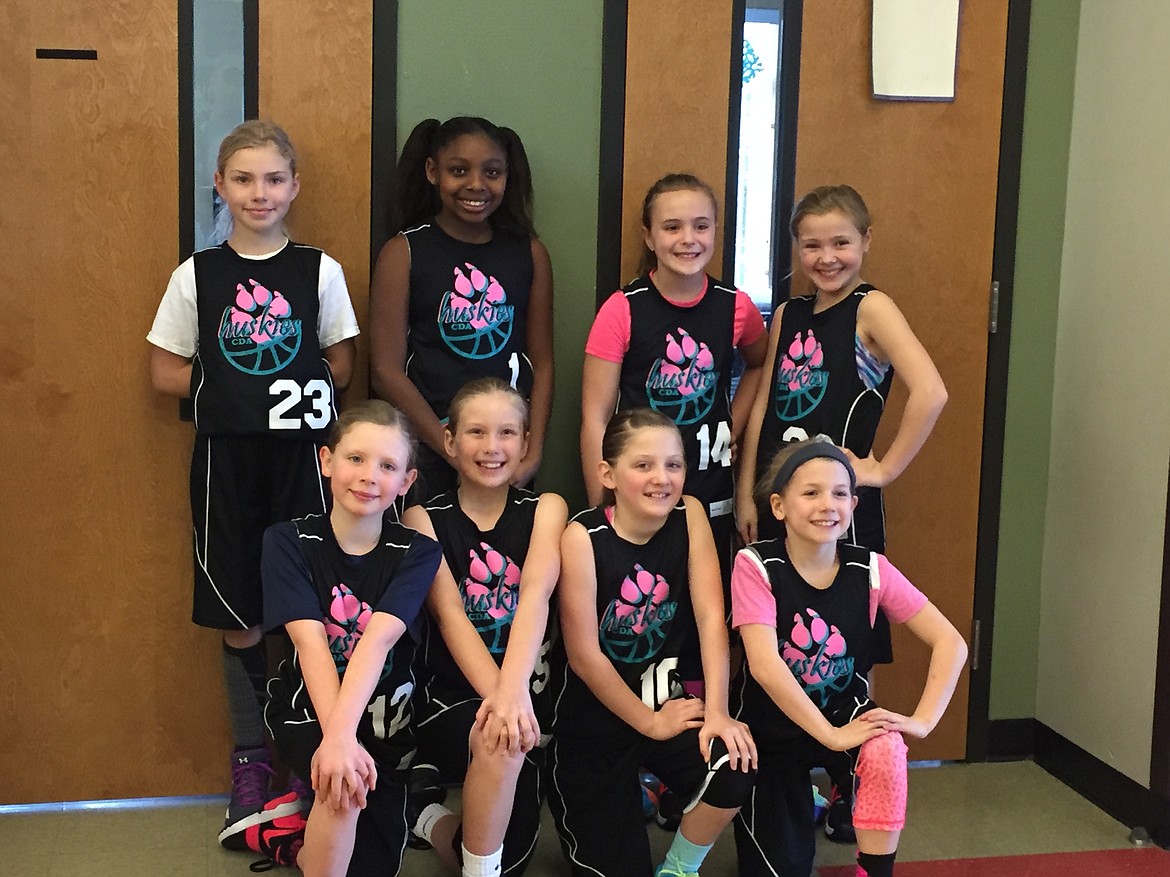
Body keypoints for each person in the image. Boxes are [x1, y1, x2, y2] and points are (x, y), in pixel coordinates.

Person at [147, 119, 359, 848]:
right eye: (243, 179)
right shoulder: (197, 274)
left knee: (305, 609)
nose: (259, 193)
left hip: (301, 460)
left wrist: (291, 391)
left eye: (273, 179)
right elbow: (163, 369)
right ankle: (250, 760)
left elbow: (343, 359)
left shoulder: (317, 270)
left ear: (294, 185)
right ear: (220, 185)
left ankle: (305, 755)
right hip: (226, 465)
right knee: (240, 606)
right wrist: (236, 386)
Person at [735, 184, 947, 838]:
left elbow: (930, 390)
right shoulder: (792, 312)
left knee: (844, 637)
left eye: (841, 243)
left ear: (865, 243)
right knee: (780, 632)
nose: (826, 256)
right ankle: (786, 765)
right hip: (778, 500)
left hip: (840, 508)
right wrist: (747, 488)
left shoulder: (871, 308)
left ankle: (851, 776)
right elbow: (767, 406)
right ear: (796, 248)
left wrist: (881, 468)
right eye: (812, 244)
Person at [731, 438, 967, 877]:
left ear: (854, 504)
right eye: (811, 492)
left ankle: (874, 870)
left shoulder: (871, 569)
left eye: (840, 493)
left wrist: (923, 721)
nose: (828, 505)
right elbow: (764, 666)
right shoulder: (756, 565)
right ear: (779, 506)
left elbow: (951, 643)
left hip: (845, 713)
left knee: (886, 749)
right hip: (773, 726)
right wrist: (829, 736)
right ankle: (803, 805)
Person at [549, 408, 757, 877]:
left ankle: (679, 868)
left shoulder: (691, 514)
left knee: (735, 765)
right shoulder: (582, 537)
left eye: (673, 465)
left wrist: (719, 712)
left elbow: (710, 617)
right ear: (609, 474)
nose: (661, 478)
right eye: (643, 465)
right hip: (595, 728)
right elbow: (584, 656)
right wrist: (649, 724)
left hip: (668, 704)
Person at [256, 400, 442, 874]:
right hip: (309, 710)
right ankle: (307, 804)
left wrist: (347, 740)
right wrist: (337, 740)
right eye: (355, 459)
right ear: (326, 461)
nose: (368, 476)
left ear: (406, 482)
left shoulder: (418, 553)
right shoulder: (287, 541)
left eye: (387, 466)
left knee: (371, 856)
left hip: (384, 723)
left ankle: (292, 837)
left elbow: (377, 642)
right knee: (340, 786)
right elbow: (310, 643)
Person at [400, 378, 567, 876]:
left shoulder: (548, 510)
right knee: (498, 742)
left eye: (507, 433)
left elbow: (535, 596)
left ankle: (424, 815)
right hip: (455, 701)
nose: (492, 447)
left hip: (529, 705)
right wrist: (504, 701)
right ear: (450, 442)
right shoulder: (421, 519)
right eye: (476, 432)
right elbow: (451, 615)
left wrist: (514, 697)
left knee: (511, 855)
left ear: (524, 443)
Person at [581, 173, 767, 588]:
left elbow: (759, 363)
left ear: (716, 231)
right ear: (649, 237)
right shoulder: (621, 309)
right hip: (637, 489)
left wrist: (731, 424)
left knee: (708, 607)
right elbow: (595, 417)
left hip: (710, 485)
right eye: (672, 227)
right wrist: (601, 505)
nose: (688, 238)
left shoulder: (736, 306)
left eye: (701, 226)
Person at [370, 116, 553, 501]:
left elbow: (542, 361)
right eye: (459, 170)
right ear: (433, 172)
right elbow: (386, 371)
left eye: (492, 172)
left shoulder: (529, 252)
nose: (476, 185)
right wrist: (450, 447)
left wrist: (532, 451)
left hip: (503, 454)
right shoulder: (403, 252)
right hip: (429, 450)